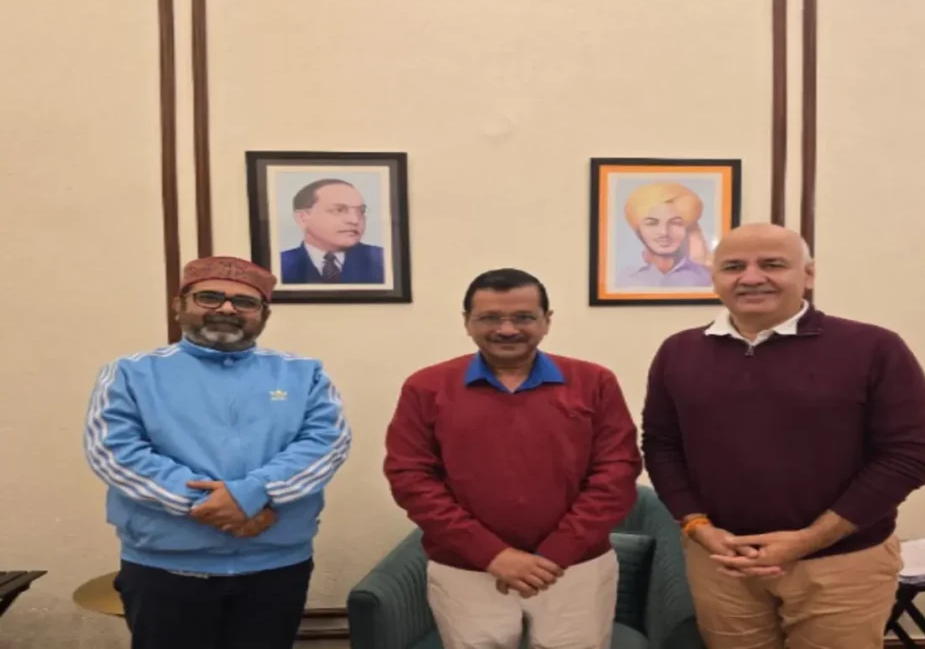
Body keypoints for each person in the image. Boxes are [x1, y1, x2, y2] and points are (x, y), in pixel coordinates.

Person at [641, 222, 925, 649]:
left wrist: (809, 539)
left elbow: (911, 454)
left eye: (772, 264)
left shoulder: (874, 348)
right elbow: (661, 445)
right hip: (723, 563)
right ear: (714, 278)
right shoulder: (679, 351)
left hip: (841, 565)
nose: (751, 277)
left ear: (809, 274)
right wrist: (698, 527)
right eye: (733, 266)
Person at [84, 256, 353, 649]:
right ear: (180, 305)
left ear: (263, 314)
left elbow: (326, 444)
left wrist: (252, 494)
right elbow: (113, 451)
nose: (227, 308)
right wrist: (217, 506)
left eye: (244, 302)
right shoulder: (129, 373)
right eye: (209, 297)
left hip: (276, 567)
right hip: (166, 568)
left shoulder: (304, 374)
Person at [383, 268, 643, 649]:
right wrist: (492, 554)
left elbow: (617, 472)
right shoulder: (426, 387)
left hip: (574, 569)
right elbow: (411, 478)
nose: (507, 329)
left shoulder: (594, 382)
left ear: (546, 321)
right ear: (467, 323)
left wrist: (556, 553)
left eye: (523, 317)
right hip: (467, 569)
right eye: (490, 318)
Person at [280, 178, 386, 284]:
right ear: (302, 218)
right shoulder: (278, 265)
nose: (355, 220)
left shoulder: (384, 261)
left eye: (361, 211)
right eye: (339, 210)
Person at [616, 181, 713, 288]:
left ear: (688, 227)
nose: (664, 232)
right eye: (652, 223)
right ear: (638, 229)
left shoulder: (706, 277)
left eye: (675, 223)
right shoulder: (622, 277)